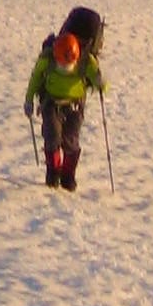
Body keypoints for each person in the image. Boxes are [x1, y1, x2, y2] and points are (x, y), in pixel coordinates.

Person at [25, 23, 104, 191]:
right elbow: (36, 78)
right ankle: (53, 172)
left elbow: (99, 81)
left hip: (74, 106)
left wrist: (101, 84)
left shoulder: (85, 62)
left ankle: (68, 175)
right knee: (52, 137)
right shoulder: (47, 59)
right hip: (51, 103)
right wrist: (29, 100)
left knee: (71, 141)